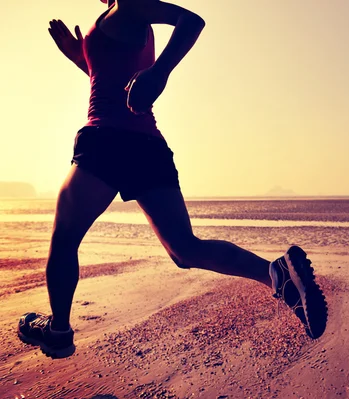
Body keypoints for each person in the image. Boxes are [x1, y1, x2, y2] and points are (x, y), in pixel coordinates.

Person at [17, 0, 327, 359]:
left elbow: (190, 21)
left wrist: (160, 72)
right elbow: (114, 78)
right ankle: (277, 275)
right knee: (185, 249)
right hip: (146, 146)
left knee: (64, 237)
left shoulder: (130, 5)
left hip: (106, 142)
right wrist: (79, 57)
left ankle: (57, 331)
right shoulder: (117, 15)